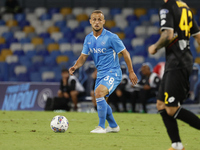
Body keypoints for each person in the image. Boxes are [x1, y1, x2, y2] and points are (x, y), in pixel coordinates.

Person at [69, 10, 138, 133]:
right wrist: (75, 66)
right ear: (90, 22)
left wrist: (131, 71)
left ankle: (101, 127)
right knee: (101, 100)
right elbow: (83, 56)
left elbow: (125, 53)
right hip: (100, 73)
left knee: (99, 92)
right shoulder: (88, 38)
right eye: (94, 19)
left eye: (99, 19)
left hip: (113, 72)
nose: (97, 22)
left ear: (103, 22)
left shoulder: (111, 37)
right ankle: (113, 126)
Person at [148, 0, 200, 149]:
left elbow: (168, 34)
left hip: (178, 62)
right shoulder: (185, 8)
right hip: (178, 62)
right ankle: (177, 145)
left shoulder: (167, 7)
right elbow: (197, 36)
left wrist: (155, 47)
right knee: (161, 104)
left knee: (171, 108)